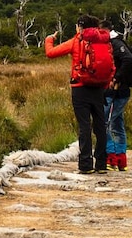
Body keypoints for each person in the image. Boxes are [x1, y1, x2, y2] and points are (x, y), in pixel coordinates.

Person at [45, 14, 112, 174]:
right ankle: (101, 164)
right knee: (100, 126)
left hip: (80, 86)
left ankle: (86, 165)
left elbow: (51, 53)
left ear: (80, 26)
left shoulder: (76, 41)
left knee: (84, 126)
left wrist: (49, 39)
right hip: (99, 87)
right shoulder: (103, 39)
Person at [100, 20, 132, 171]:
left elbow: (128, 59)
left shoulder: (115, 43)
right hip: (118, 91)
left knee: (104, 122)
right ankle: (121, 159)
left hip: (116, 92)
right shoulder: (113, 42)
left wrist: (116, 78)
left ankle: (111, 157)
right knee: (117, 124)